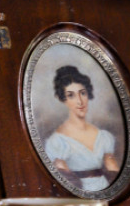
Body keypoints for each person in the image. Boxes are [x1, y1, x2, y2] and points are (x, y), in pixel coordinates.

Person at [43, 63, 120, 194]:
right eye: (71, 95)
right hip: (78, 198)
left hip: (106, 193)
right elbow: (64, 182)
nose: (80, 101)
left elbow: (113, 170)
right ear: (63, 99)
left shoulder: (103, 136)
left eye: (82, 93)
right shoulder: (57, 142)